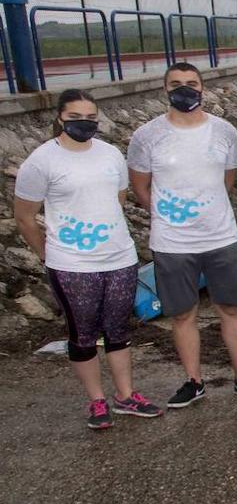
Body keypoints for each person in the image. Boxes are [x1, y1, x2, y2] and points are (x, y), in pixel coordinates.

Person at [14, 90, 161, 429]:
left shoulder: (110, 154)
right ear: (60, 119)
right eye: (75, 118)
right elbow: (25, 216)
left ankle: (125, 395)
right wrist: (47, 254)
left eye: (91, 119)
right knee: (82, 334)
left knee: (118, 330)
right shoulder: (42, 161)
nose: (84, 124)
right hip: (72, 265)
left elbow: (118, 198)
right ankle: (96, 401)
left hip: (119, 257)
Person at [127, 62, 237, 408]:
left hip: (221, 238)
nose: (185, 89)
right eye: (176, 84)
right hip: (172, 243)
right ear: (165, 90)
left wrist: (206, 212)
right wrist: (170, 215)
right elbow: (140, 186)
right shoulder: (146, 136)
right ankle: (193, 380)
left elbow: (228, 178)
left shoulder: (224, 131)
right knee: (182, 314)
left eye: (191, 83)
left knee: (232, 309)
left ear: (202, 88)